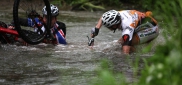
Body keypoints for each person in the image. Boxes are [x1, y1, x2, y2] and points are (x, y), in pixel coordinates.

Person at [89, 10, 159, 54]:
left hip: (152, 29)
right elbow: (103, 17)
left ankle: (139, 55)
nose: (108, 28)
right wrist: (96, 29)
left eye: (108, 27)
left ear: (114, 25)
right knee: (118, 44)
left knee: (124, 46)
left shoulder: (127, 28)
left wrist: (123, 62)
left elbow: (125, 51)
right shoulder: (117, 14)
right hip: (143, 24)